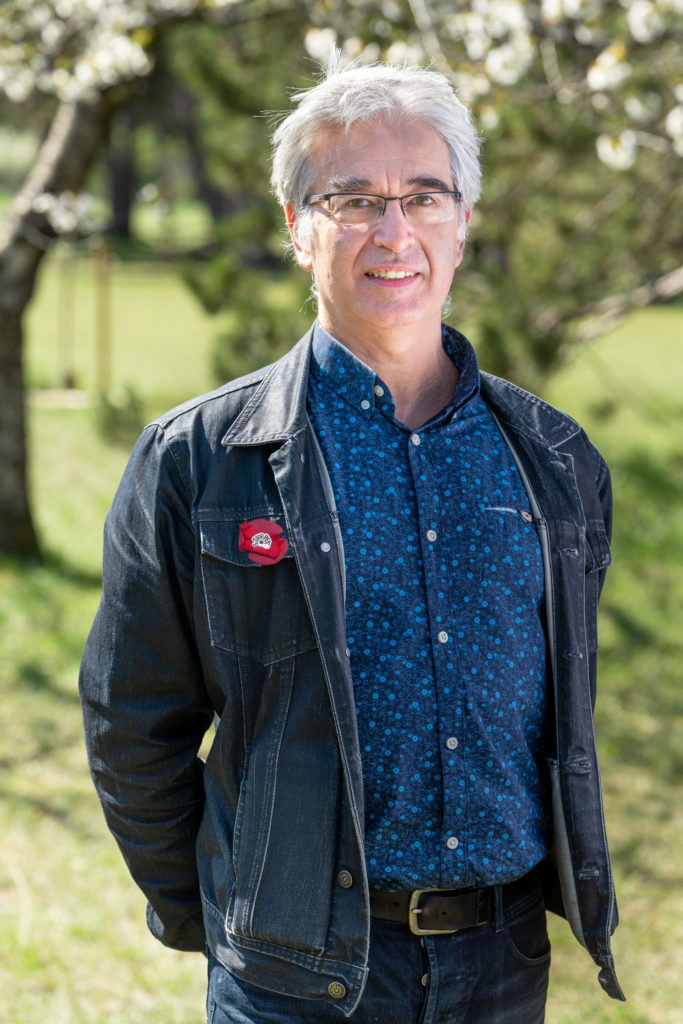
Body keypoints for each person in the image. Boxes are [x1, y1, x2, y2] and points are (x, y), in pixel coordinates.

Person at [79, 61, 625, 1023]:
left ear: (464, 223)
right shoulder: (199, 460)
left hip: (503, 968)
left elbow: (561, 713)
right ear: (297, 228)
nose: (393, 230)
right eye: (354, 200)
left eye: (422, 196)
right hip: (294, 980)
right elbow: (132, 723)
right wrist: (229, 910)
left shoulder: (553, 460)